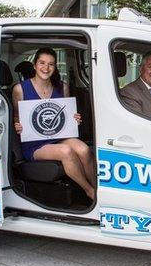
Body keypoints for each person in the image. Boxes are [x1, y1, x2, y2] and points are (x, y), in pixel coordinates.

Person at [12, 48, 96, 200]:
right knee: (66, 151)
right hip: (35, 144)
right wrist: (17, 124)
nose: (46, 68)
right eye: (42, 63)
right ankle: (90, 191)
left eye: (51, 64)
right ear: (35, 65)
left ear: (55, 67)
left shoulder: (62, 87)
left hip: (58, 136)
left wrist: (74, 118)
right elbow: (17, 117)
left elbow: (68, 116)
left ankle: (98, 188)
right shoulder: (20, 89)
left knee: (84, 150)